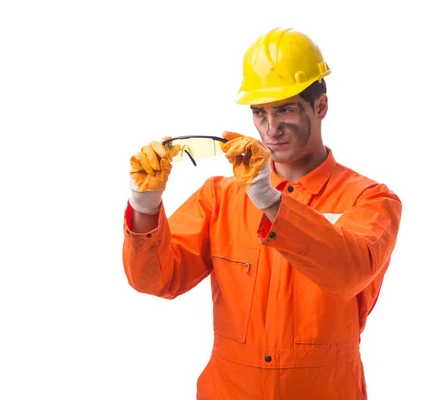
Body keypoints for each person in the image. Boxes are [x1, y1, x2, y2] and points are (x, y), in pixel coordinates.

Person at [122, 26, 402, 400]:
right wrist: (146, 205)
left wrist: (268, 200)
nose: (272, 130)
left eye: (286, 109)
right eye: (260, 113)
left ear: (320, 106)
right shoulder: (220, 198)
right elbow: (155, 280)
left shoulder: (368, 199)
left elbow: (348, 271)